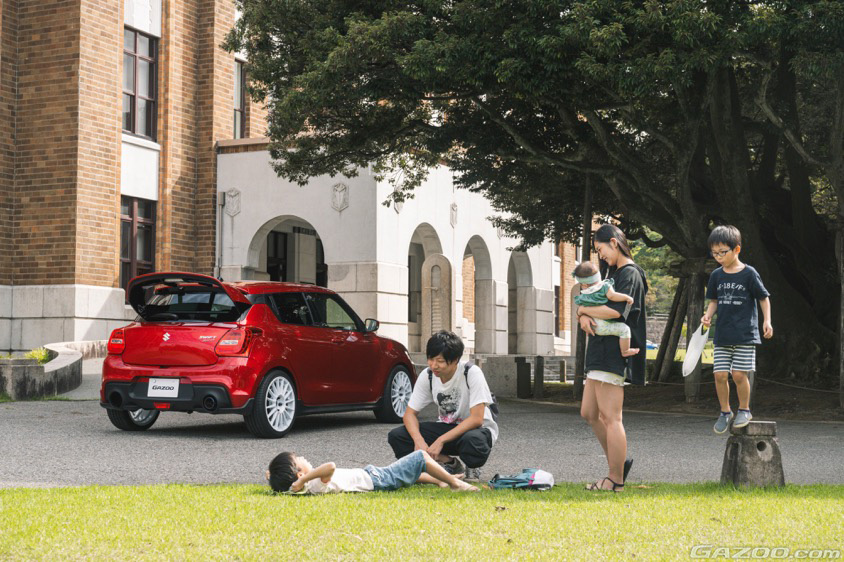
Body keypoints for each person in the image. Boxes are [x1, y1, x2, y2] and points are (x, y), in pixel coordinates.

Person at [577, 224, 648, 492]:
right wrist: (583, 315)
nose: (600, 255)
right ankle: (618, 464)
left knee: (611, 417)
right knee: (589, 412)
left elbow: (617, 311)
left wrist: (584, 309)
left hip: (612, 355)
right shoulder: (610, 273)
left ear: (614, 243)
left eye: (601, 249)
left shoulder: (630, 274)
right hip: (599, 350)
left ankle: (615, 479)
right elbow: (594, 304)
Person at [387, 330, 498, 481]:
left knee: (472, 440)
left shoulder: (471, 373)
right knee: (398, 436)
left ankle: (472, 467)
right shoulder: (428, 376)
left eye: (440, 361)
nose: (434, 365)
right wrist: (419, 440)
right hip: (448, 427)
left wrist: (440, 441)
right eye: (431, 359)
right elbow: (409, 414)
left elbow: (477, 419)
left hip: (476, 430)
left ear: (455, 360)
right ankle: (449, 463)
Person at [701, 225, 773, 434]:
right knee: (719, 375)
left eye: (723, 252)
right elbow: (714, 300)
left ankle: (744, 409)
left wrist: (766, 321)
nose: (719, 257)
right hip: (723, 334)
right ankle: (725, 412)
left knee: (739, 375)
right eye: (715, 253)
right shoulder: (716, 275)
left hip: (744, 335)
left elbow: (763, 297)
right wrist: (708, 315)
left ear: (737, 249)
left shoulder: (749, 273)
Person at [265, 449, 478, 494]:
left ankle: (441, 480)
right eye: (300, 460)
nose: (304, 457)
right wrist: (304, 480)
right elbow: (330, 466)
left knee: (405, 472)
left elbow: (285, 487)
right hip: (377, 480)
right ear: (301, 475)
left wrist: (271, 475)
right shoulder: (314, 483)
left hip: (371, 475)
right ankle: (455, 484)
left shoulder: (294, 488)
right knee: (420, 457)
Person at [573, 261, 638, 358]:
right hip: (603, 325)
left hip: (593, 325)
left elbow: (581, 310)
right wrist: (626, 297)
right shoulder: (604, 286)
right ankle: (625, 351)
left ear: (584, 284)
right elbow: (612, 296)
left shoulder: (584, 293)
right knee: (624, 330)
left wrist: (581, 313)